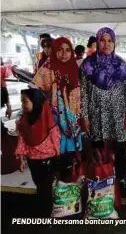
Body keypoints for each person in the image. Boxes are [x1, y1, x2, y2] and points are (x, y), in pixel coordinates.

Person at [80, 27, 126, 185]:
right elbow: (83, 93)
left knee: (121, 147)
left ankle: (121, 177)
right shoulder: (88, 65)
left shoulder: (120, 64)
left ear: (114, 43)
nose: (106, 44)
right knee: (99, 148)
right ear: (97, 42)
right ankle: (102, 176)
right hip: (97, 113)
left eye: (110, 41)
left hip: (118, 113)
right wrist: (85, 117)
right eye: (102, 40)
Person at [33, 37, 82, 180]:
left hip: (74, 118)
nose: (64, 54)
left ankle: (68, 186)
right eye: (59, 50)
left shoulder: (75, 68)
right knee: (57, 155)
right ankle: (58, 186)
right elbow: (35, 91)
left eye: (67, 50)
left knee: (70, 157)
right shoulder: (47, 69)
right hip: (54, 120)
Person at [15, 88, 61, 217]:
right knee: (39, 186)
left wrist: (58, 157)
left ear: (35, 101)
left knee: (45, 189)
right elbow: (21, 140)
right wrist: (22, 159)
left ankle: (45, 215)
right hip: (33, 161)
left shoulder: (47, 119)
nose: (22, 105)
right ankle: (44, 210)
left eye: (25, 102)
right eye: (21, 102)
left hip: (48, 161)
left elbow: (55, 138)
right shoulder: (23, 121)